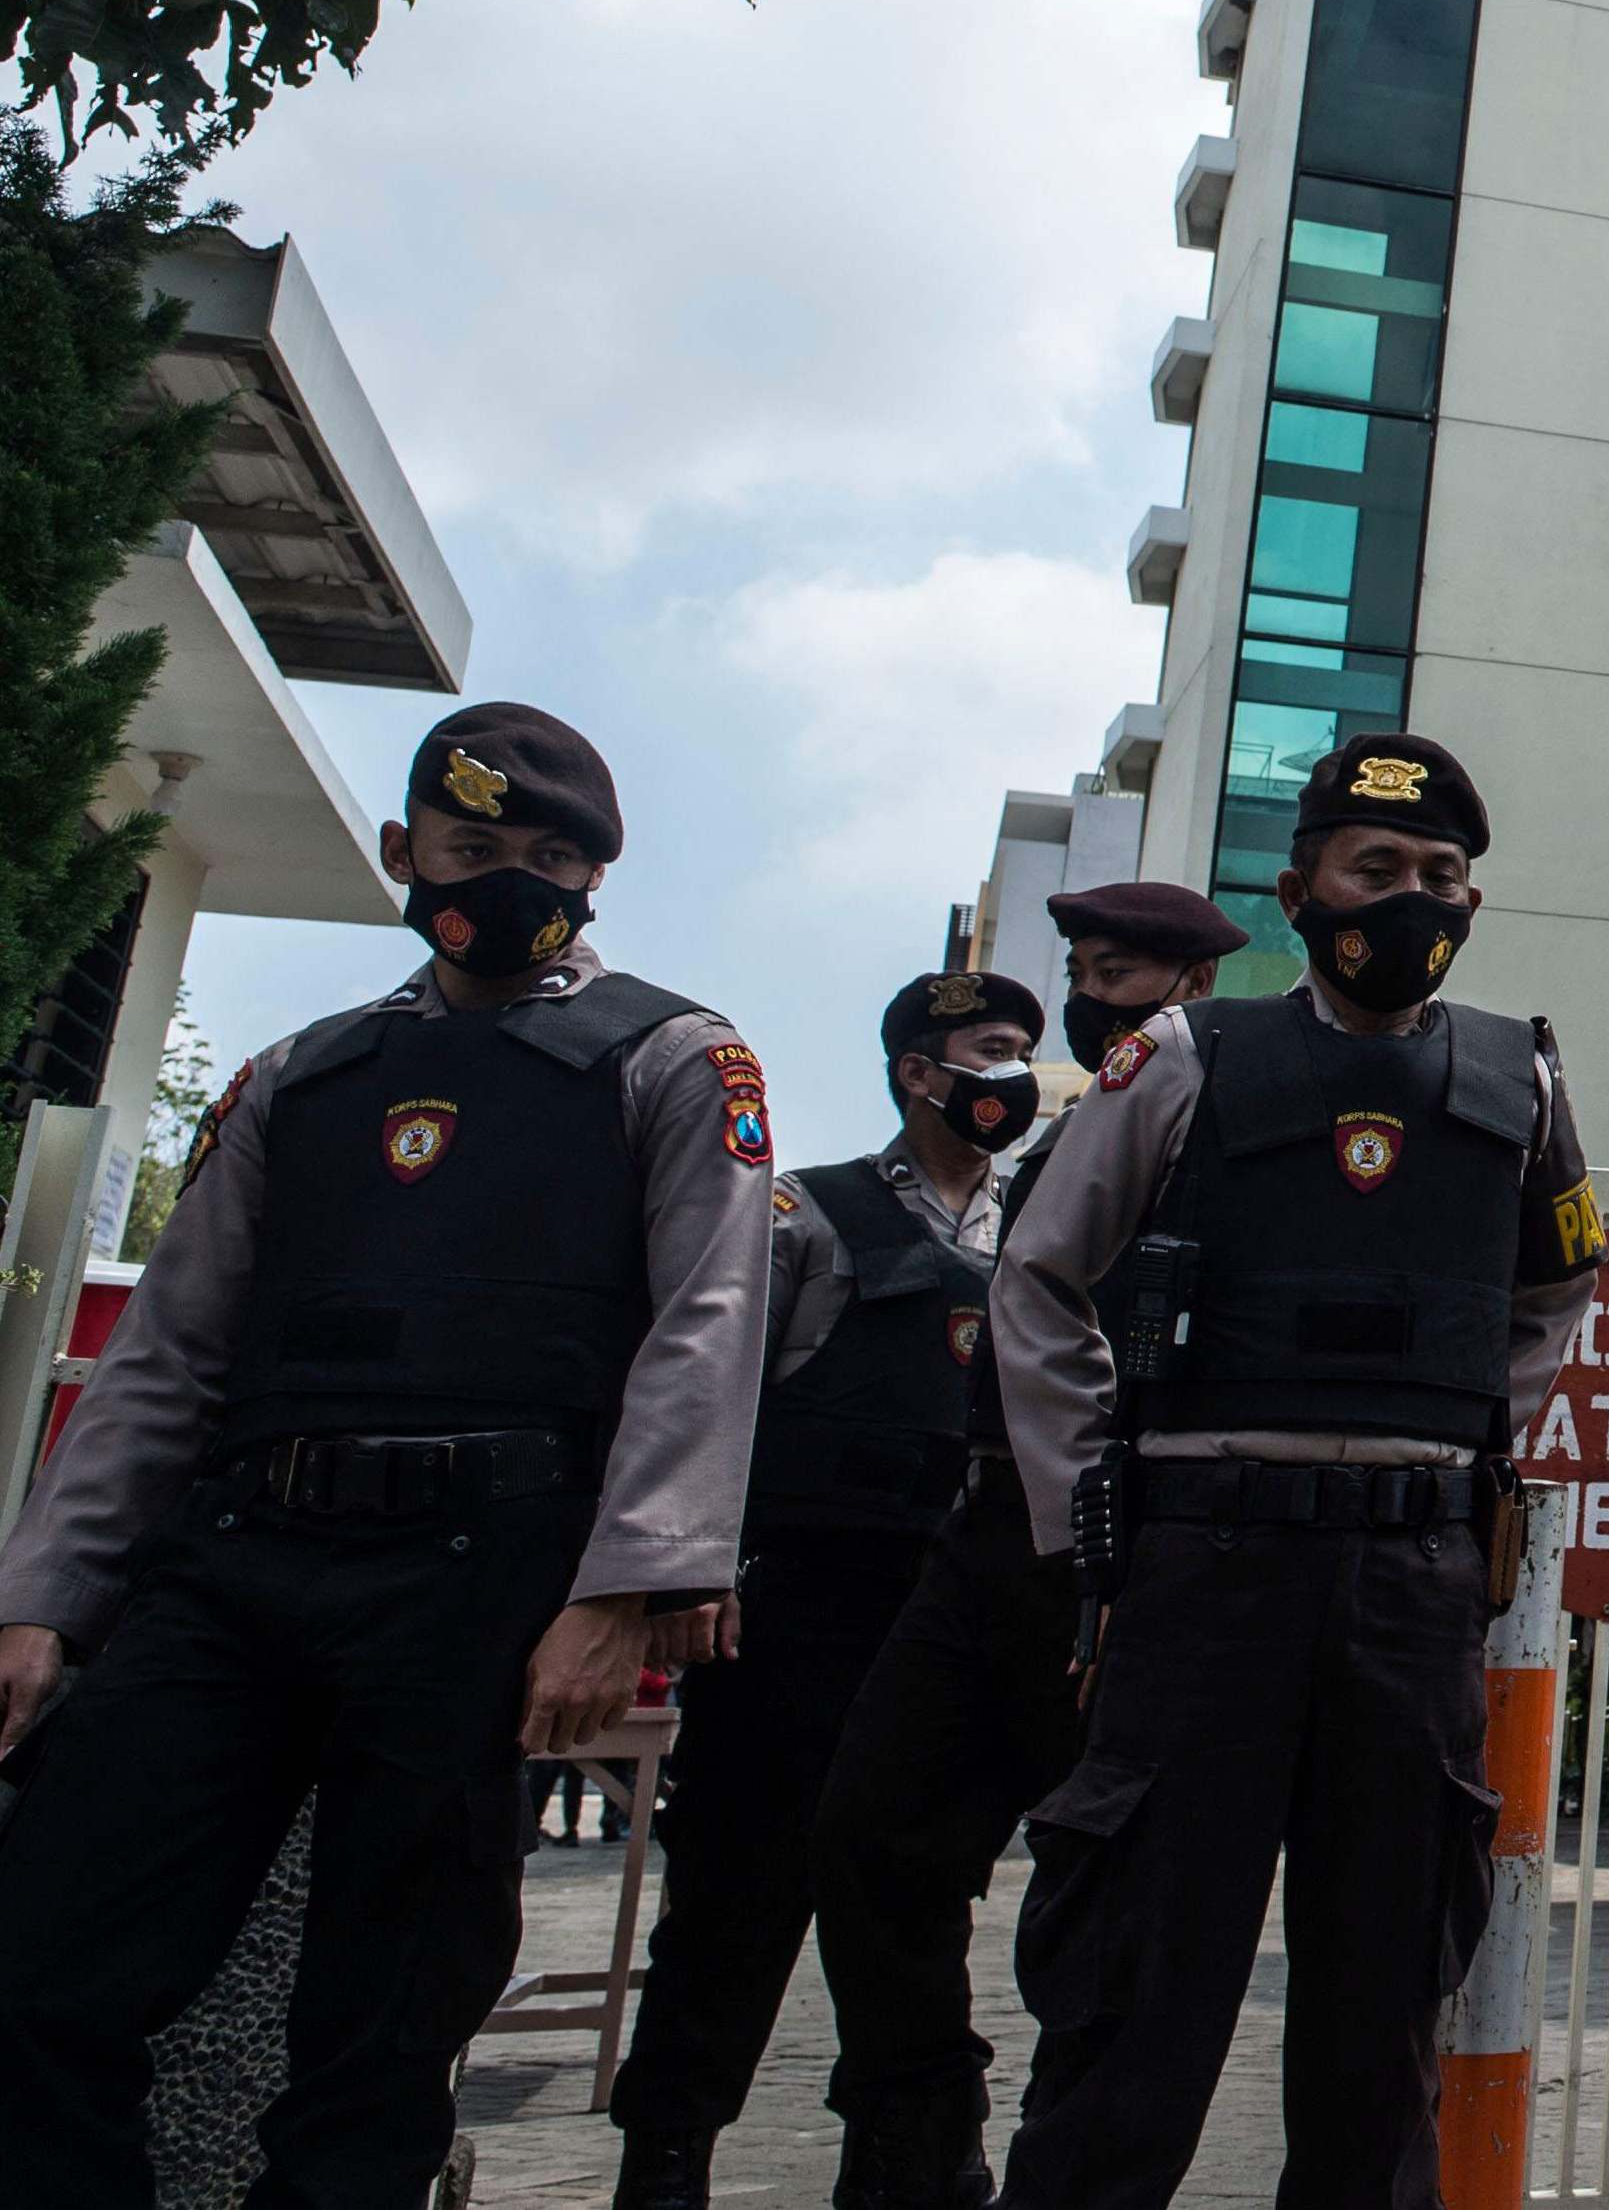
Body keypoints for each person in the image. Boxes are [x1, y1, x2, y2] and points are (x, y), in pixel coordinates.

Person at [0, 705, 775, 2210]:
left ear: (598, 879)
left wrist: (622, 1590)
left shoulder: (674, 1057)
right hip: (235, 1564)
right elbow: (168, 1354)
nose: (510, 878)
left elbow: (710, 1325)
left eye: (552, 856)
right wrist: (44, 1596)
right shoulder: (302, 1074)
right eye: (475, 847)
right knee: (41, 1968)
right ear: (400, 853)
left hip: (478, 1581)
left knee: (376, 2043)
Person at [986, 738, 1605, 2210]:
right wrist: (1088, 1512)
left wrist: (1455, 1443)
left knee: (1385, 2015)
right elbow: (1041, 1280)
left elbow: (1554, 1291)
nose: (1409, 899)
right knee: (1137, 1994)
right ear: (1298, 886)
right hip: (1206, 1569)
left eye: (1439, 877)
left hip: (1412, 1585)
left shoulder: (1520, 1069)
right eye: (1373, 869)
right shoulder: (1187, 1056)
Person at [810, 879, 1248, 2210]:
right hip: (987, 1531)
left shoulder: (1217, 1134)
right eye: (1085, 969)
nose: (1095, 997)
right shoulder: (1057, 1143)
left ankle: (1068, 2170)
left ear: (1188, 993)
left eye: (1124, 973)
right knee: (872, 1836)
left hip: (1118, 1552)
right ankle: (914, 2141)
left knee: (1101, 1900)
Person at [604, 964, 1047, 2206]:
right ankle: (670, 2149)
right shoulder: (810, 1210)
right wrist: (697, 1558)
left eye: (1021, 1051)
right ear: (920, 1069)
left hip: (948, 1610)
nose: (1011, 1075)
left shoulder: (1037, 1227)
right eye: (992, 1048)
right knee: (738, 1891)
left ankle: (905, 2158)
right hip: (797, 1600)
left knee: (912, 1899)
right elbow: (714, 1390)